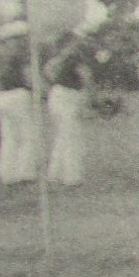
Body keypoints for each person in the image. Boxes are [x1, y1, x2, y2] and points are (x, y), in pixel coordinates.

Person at [43, 30, 94, 186]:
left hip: (56, 93)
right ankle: (72, 176)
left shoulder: (57, 59)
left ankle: (55, 173)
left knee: (62, 135)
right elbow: (86, 77)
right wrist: (89, 97)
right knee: (72, 136)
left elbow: (47, 72)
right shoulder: (75, 57)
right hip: (70, 94)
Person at [0, 22, 38, 185]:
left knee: (8, 137)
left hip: (1, 95)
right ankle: (25, 173)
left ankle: (7, 173)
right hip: (18, 94)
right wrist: (36, 89)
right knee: (27, 135)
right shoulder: (21, 55)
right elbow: (28, 77)